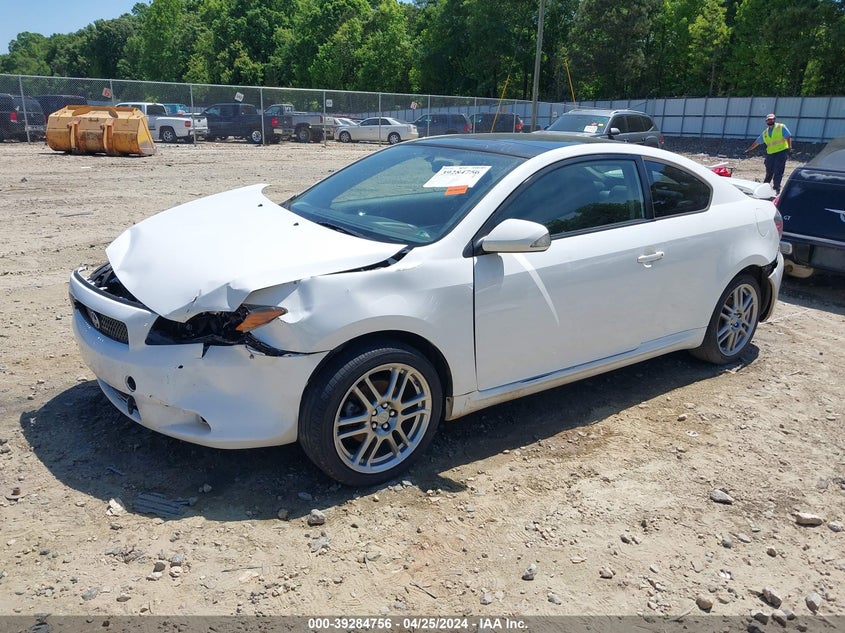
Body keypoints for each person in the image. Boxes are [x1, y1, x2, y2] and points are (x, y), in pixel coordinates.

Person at [745, 113, 792, 193]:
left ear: (774, 119)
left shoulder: (781, 127)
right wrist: (749, 150)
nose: (770, 120)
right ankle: (765, 185)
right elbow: (757, 142)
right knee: (769, 170)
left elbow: (788, 136)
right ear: (766, 121)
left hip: (781, 151)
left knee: (778, 170)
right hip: (770, 153)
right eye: (769, 119)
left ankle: (776, 188)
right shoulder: (765, 133)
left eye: (772, 119)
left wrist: (789, 147)